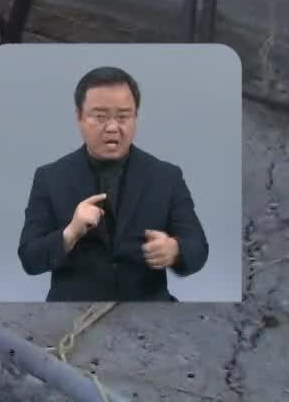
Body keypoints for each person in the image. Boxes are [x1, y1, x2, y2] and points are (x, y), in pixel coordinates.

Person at [16, 65, 209, 301]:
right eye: (100, 117)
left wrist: (175, 250)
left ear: (136, 117)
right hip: (73, 309)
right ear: (79, 117)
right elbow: (29, 258)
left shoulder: (166, 177)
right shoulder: (50, 178)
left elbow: (198, 246)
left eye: (123, 117)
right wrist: (70, 233)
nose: (112, 127)